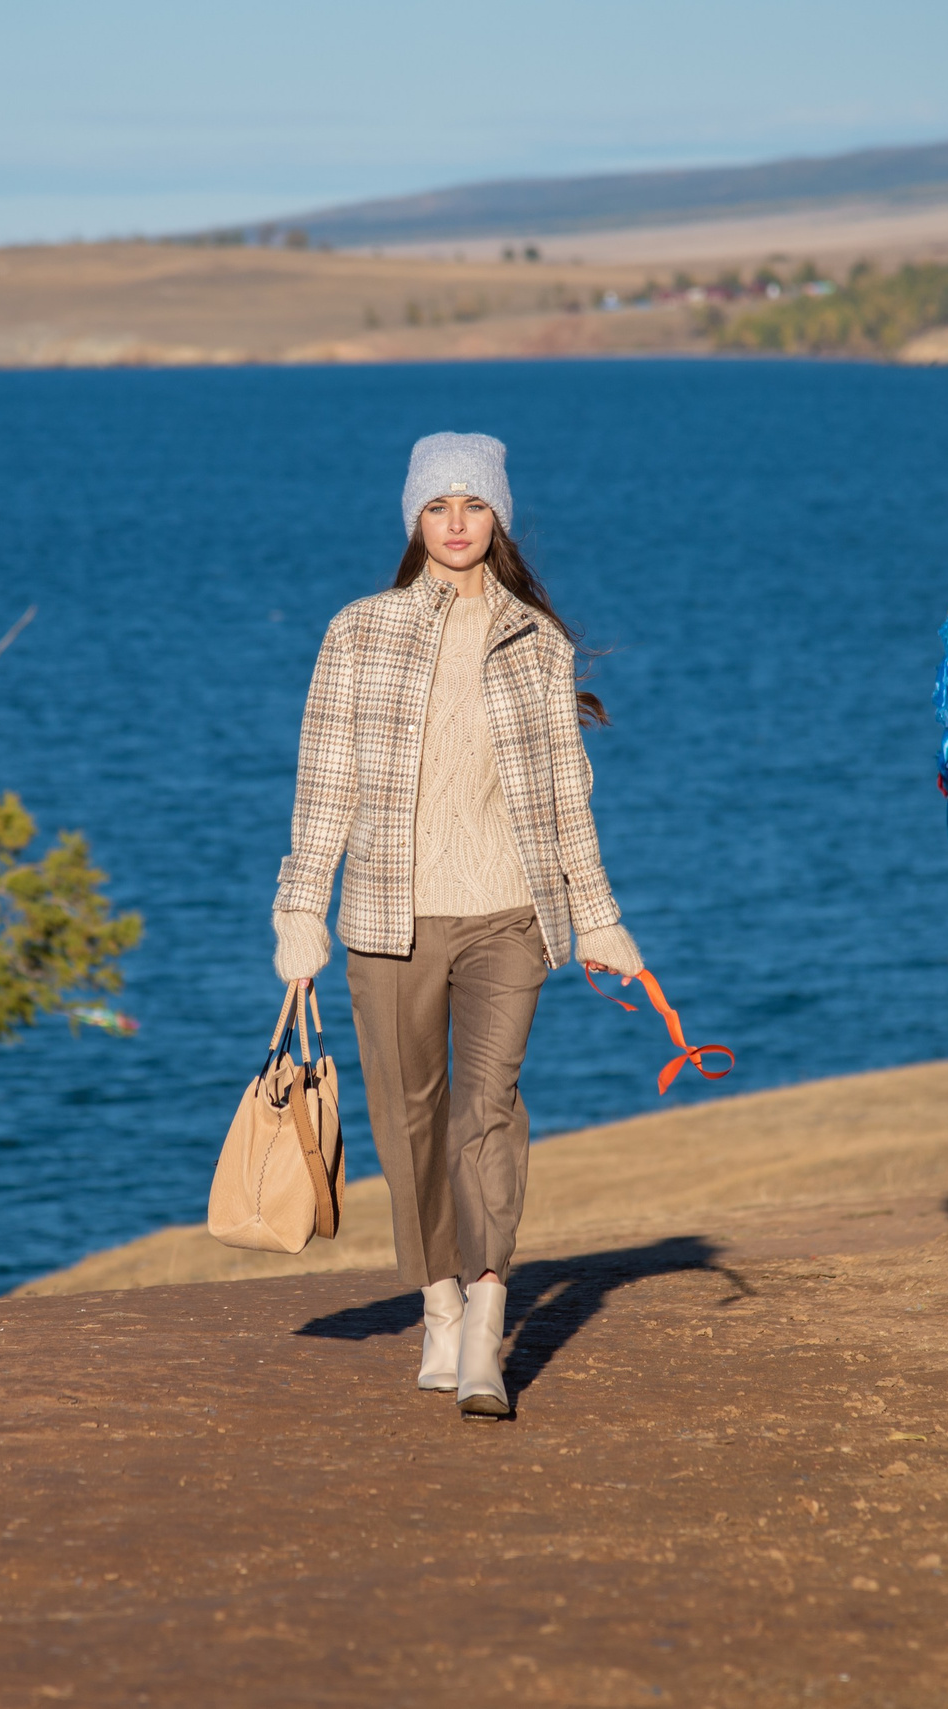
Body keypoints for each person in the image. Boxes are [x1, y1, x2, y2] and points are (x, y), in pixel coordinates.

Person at [271, 431, 641, 1419]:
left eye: (474, 506)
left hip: (509, 918)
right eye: (438, 507)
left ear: (498, 517)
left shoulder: (537, 642)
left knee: (489, 1113)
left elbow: (567, 805)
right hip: (389, 919)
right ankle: (436, 1298)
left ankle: (485, 1317)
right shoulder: (361, 631)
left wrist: (601, 919)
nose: (457, 524)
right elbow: (325, 786)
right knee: (409, 1122)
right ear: (414, 519)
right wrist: (299, 908)